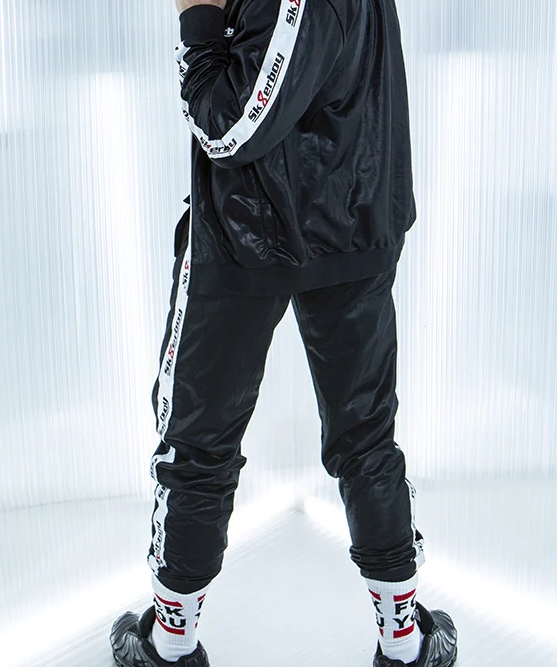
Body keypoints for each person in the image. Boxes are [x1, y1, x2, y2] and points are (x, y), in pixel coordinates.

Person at [110, 0, 458, 665]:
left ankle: (170, 643)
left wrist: (197, 18)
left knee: (201, 442)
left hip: (246, 240)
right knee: (364, 439)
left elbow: (229, 127)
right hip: (350, 228)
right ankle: (404, 640)